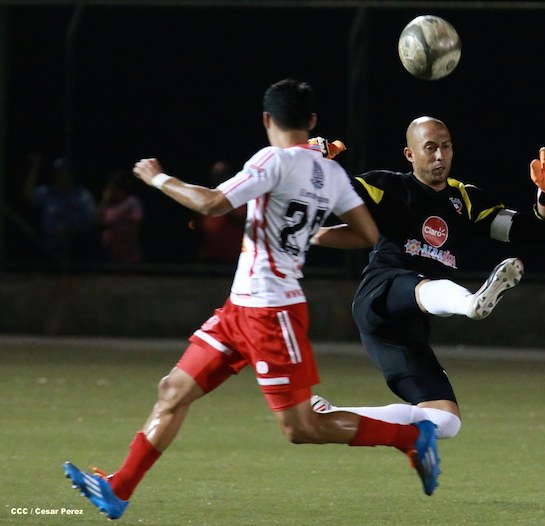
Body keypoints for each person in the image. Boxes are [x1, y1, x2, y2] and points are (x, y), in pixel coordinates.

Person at [62, 80, 440, 521]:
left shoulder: (271, 160)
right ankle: (118, 489)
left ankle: (410, 438)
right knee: (172, 390)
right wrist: (309, 234)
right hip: (238, 309)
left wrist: (158, 178)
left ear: (266, 119)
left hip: (272, 314)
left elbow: (211, 204)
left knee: (302, 427)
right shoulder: (331, 173)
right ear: (312, 120)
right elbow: (368, 234)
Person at [309, 116, 545, 442]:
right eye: (430, 148)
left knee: (444, 420)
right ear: (410, 154)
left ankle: (328, 415)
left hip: (407, 327)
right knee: (424, 285)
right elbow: (332, 191)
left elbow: (527, 231)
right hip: (383, 293)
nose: (440, 156)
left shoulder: (464, 198)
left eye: (446, 147)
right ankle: (470, 303)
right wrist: (314, 163)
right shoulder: (387, 186)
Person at [23, 154, 98, 264]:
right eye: (59, 173)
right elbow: (28, 195)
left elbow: (92, 221)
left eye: (66, 173)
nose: (63, 177)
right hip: (49, 247)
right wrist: (35, 168)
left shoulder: (82, 195)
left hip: (76, 246)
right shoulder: (48, 192)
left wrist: (72, 230)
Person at [189, 160, 247, 265]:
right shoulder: (206, 197)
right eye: (217, 176)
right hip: (209, 258)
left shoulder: (241, 197)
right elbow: (196, 227)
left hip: (234, 258)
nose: (220, 179)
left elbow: (245, 223)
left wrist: (222, 204)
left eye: (223, 175)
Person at [99, 169, 144, 264]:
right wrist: (104, 202)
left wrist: (128, 245)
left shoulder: (132, 202)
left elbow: (136, 225)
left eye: (111, 187)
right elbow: (100, 221)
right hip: (109, 251)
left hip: (128, 251)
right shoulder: (109, 204)